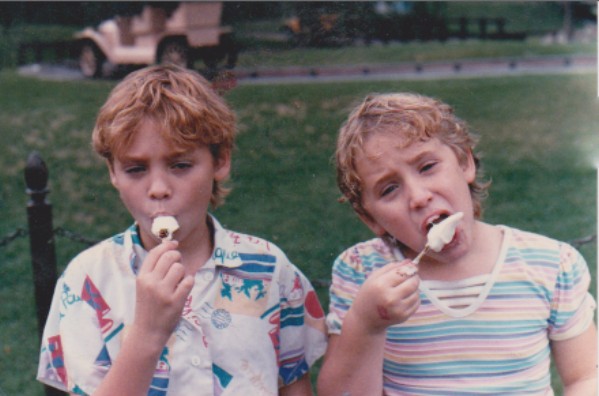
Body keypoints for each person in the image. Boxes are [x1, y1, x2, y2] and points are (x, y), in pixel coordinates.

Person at [37, 64, 327, 396]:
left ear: (220, 161)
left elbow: (293, 383)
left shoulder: (272, 270)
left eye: (180, 165)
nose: (158, 188)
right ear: (113, 173)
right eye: (135, 169)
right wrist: (147, 333)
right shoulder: (87, 282)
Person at [317, 92, 597, 395]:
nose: (419, 196)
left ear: (464, 162)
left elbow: (585, 376)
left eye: (426, 167)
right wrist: (366, 323)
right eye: (389, 189)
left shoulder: (551, 265)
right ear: (370, 218)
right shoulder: (362, 273)